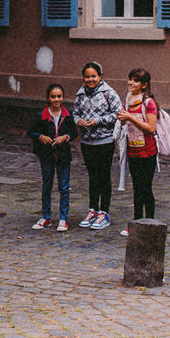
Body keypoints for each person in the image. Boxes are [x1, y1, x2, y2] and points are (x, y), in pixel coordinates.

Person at [73, 62, 122, 230]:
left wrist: (99, 121)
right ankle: (92, 210)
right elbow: (75, 112)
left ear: (101, 76)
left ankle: (104, 212)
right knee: (92, 176)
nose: (90, 79)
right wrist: (77, 121)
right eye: (87, 76)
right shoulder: (80, 94)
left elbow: (118, 113)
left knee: (103, 176)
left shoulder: (109, 93)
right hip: (87, 142)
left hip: (105, 141)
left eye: (94, 76)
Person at [117, 68, 160, 236]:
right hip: (133, 151)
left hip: (148, 152)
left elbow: (150, 128)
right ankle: (136, 224)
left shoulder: (149, 103)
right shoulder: (128, 100)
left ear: (144, 85)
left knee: (146, 187)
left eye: (135, 80)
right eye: (130, 79)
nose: (130, 83)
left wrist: (129, 117)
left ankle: (150, 223)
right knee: (136, 188)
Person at [29, 83, 76, 232]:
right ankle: (46, 217)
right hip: (47, 155)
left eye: (59, 96)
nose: (56, 99)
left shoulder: (67, 115)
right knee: (47, 185)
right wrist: (41, 136)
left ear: (63, 97)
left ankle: (63, 218)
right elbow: (31, 131)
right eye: (53, 96)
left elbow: (74, 133)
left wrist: (65, 137)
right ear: (48, 98)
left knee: (64, 187)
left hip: (63, 156)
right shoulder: (41, 115)